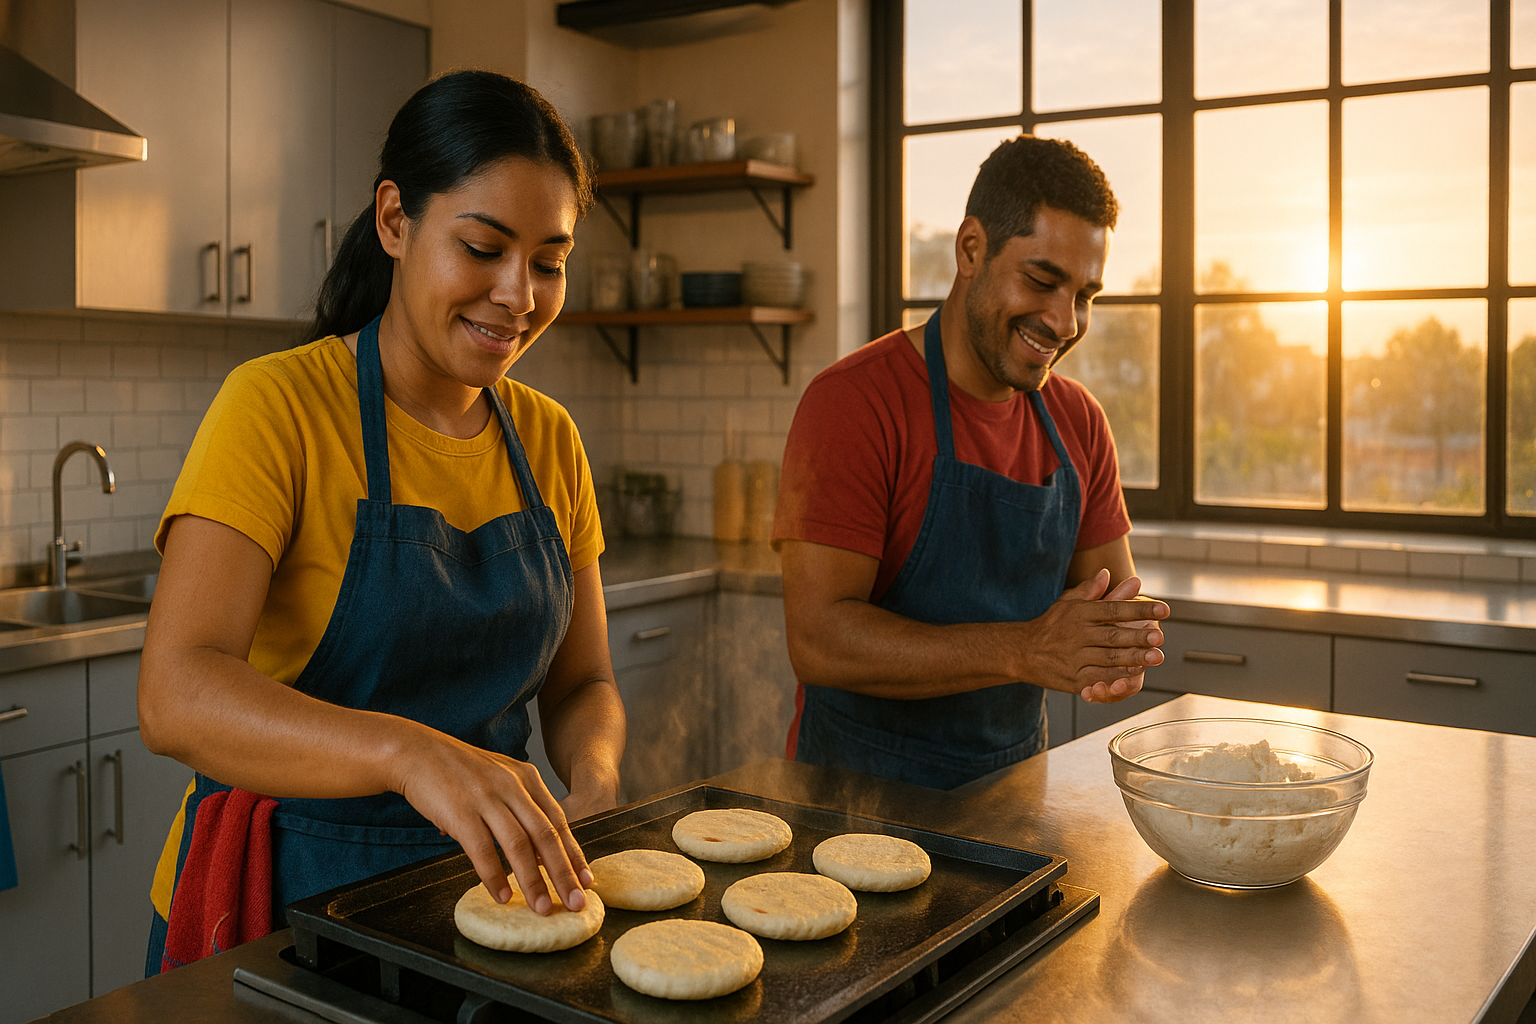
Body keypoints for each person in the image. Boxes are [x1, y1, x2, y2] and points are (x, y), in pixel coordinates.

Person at [138, 70, 625, 972]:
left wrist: (594, 782)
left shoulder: (550, 441)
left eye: (550, 262)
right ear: (395, 220)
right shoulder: (278, 408)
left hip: (486, 903)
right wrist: (408, 754)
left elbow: (584, 681)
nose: (519, 294)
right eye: (484, 247)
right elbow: (174, 695)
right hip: (280, 910)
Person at [773, 135, 1170, 790]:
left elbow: (1110, 608)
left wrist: (1115, 649)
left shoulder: (1079, 423)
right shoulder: (852, 404)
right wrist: (1025, 649)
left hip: (1010, 807)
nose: (1065, 321)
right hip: (850, 811)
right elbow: (817, 640)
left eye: (1086, 295)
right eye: (1042, 281)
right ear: (970, 250)